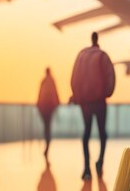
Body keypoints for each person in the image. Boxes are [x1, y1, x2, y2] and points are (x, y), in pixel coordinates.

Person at [70, 32, 115, 180]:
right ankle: (100, 162)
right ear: (98, 40)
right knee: (102, 133)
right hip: (99, 101)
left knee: (86, 132)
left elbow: (74, 77)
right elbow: (110, 77)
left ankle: (86, 168)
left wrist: (77, 95)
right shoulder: (103, 56)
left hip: (85, 102)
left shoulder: (81, 55)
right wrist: (107, 93)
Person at [36, 67, 60, 159]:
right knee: (47, 127)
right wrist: (57, 104)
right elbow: (56, 93)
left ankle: (47, 146)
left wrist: (38, 105)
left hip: (44, 107)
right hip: (49, 107)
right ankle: (47, 146)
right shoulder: (52, 81)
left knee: (46, 127)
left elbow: (39, 94)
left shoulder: (43, 81)